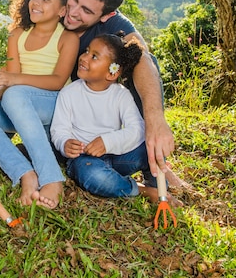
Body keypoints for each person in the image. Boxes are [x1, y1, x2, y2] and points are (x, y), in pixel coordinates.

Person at [0, 0, 177, 180]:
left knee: (141, 61)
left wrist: (155, 119)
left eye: (87, 11)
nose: (73, 12)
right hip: (46, 107)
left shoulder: (115, 24)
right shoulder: (54, 5)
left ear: (107, 15)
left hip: (77, 113)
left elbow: (144, 58)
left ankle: (155, 169)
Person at [0, 0, 79, 209]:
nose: (36, 2)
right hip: (17, 105)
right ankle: (25, 172)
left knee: (15, 95)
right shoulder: (17, 34)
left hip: (52, 104)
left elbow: (57, 81)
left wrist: (13, 81)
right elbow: (11, 78)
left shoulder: (67, 38)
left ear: (62, 10)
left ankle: (52, 177)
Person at [51, 33, 180, 204]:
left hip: (116, 156)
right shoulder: (69, 93)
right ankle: (141, 190)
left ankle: (160, 189)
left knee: (153, 148)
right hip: (85, 161)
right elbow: (59, 129)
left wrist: (107, 142)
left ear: (112, 73)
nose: (84, 57)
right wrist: (65, 143)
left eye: (94, 56)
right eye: (87, 51)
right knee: (94, 177)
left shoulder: (121, 95)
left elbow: (137, 130)